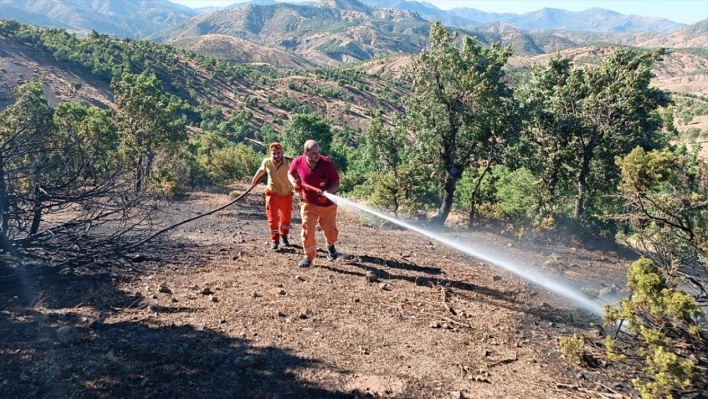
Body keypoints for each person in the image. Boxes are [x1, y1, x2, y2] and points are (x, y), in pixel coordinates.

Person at [288, 140, 340, 268]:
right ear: (306, 153)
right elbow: (290, 173)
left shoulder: (328, 164)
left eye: (319, 152)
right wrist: (294, 182)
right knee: (307, 230)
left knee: (330, 231)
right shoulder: (298, 161)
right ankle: (308, 256)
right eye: (314, 153)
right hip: (308, 203)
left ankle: (330, 245)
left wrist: (326, 193)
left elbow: (336, 183)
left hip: (327, 205)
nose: (318, 155)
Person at [251, 142, 293, 250]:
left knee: (286, 217)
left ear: (282, 152)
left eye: (278, 153)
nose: (277, 156)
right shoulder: (267, 162)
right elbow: (261, 170)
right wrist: (254, 180)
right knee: (272, 217)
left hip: (286, 193)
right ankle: (275, 240)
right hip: (272, 192)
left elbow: (298, 172)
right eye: (274, 153)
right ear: (271, 153)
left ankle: (284, 236)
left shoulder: (289, 162)